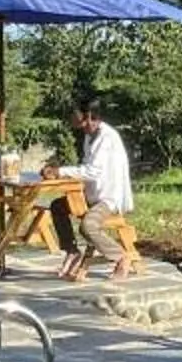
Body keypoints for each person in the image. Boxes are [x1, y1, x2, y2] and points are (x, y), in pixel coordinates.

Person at [56, 100, 137, 282]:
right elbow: (86, 166)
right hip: (92, 194)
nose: (80, 126)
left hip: (108, 198)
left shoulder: (107, 138)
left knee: (88, 226)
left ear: (92, 118)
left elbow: (93, 171)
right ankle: (71, 251)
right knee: (58, 206)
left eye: (82, 122)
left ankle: (121, 257)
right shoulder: (89, 136)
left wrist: (60, 171)